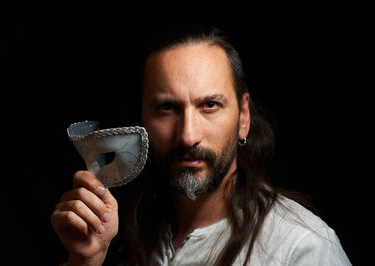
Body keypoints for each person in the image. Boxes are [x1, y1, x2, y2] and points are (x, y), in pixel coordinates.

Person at [51, 26, 351, 265]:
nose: (187, 136)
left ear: (243, 117)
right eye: (166, 108)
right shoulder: (120, 231)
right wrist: (86, 260)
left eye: (209, 105)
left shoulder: (302, 248)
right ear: (142, 119)